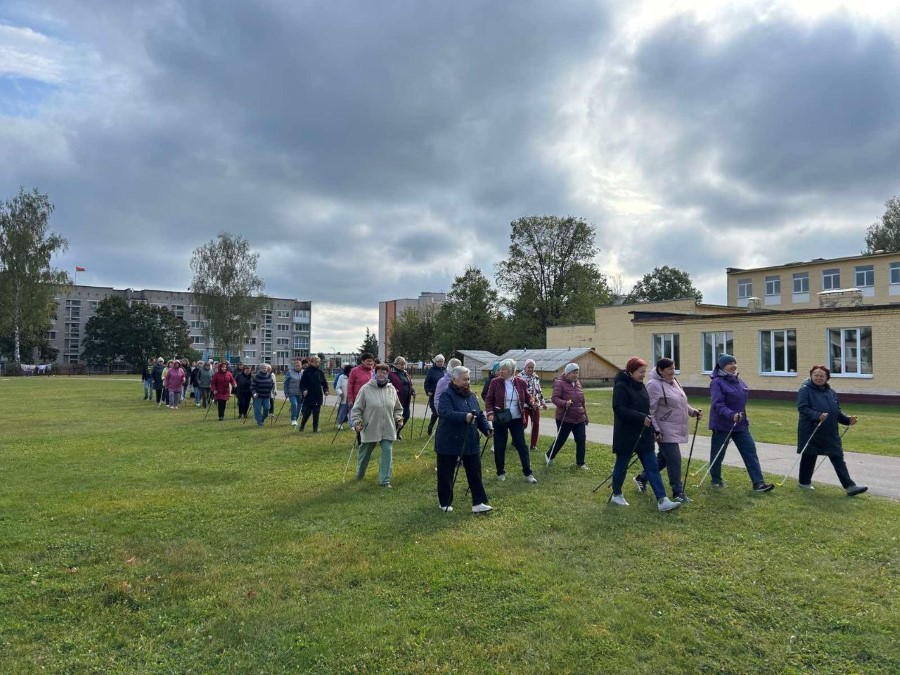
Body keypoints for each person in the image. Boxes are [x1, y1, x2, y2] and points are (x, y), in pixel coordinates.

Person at [609, 357, 681, 512]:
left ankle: (662, 500)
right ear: (630, 371)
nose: (643, 375)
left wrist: (654, 429)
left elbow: (648, 411)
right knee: (622, 466)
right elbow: (619, 408)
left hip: (644, 435)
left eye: (644, 372)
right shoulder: (621, 386)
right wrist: (641, 418)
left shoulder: (641, 386)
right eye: (640, 372)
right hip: (627, 435)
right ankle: (617, 494)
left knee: (652, 467)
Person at [634, 358, 702, 502]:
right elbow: (650, 410)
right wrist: (656, 429)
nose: (673, 371)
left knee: (664, 459)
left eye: (674, 368)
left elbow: (681, 402)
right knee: (675, 459)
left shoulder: (674, 381)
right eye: (669, 369)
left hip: (675, 427)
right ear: (660, 370)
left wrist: (692, 411)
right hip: (663, 429)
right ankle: (678, 493)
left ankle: (642, 478)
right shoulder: (653, 385)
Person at [796, 365, 868, 496]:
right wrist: (817, 415)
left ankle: (850, 486)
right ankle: (804, 482)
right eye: (816, 375)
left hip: (830, 432)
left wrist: (848, 419)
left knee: (837, 457)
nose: (818, 378)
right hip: (811, 430)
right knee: (809, 456)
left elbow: (837, 412)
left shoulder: (831, 393)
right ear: (811, 376)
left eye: (821, 376)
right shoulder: (805, 390)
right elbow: (803, 408)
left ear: (827, 378)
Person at [708, 354, 775, 492]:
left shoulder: (739, 381)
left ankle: (758, 483)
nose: (733, 366)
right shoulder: (717, 382)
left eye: (734, 362)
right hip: (722, 425)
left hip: (740, 424)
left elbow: (741, 404)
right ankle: (716, 480)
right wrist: (731, 415)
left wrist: (742, 418)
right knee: (718, 454)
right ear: (722, 367)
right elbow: (717, 404)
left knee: (750, 451)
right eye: (729, 363)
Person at [435, 365, 493, 513]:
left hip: (470, 439)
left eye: (469, 379)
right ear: (454, 379)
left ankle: (478, 503)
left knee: (475, 472)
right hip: (449, 439)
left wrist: (486, 428)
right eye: (464, 379)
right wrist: (464, 417)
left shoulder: (471, 395)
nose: (468, 382)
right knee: (446, 473)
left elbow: (479, 414)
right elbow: (445, 413)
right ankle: (445, 502)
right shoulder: (446, 395)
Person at [485, 359, 538, 484]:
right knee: (500, 445)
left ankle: (528, 473)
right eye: (500, 369)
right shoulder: (495, 382)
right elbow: (489, 399)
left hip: (516, 419)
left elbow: (527, 397)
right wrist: (490, 413)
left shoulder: (521, 382)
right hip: (500, 418)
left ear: (512, 371)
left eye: (504, 369)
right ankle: (500, 472)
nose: (501, 371)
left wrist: (532, 403)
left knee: (521, 445)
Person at [351, 363, 404, 487]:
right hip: (370, 427)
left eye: (385, 372)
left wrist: (399, 418)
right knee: (365, 452)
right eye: (380, 372)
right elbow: (357, 409)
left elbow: (398, 408)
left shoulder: (391, 389)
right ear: (375, 373)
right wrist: (357, 422)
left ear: (388, 374)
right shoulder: (365, 388)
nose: (382, 374)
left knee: (387, 452)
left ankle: (384, 480)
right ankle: (360, 473)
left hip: (388, 428)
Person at [545, 363, 590, 470]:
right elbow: (554, 398)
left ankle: (580, 462)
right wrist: (565, 403)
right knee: (561, 439)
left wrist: (585, 415)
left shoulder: (578, 383)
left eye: (577, 373)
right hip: (564, 418)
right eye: (574, 373)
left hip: (579, 418)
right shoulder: (559, 383)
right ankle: (549, 455)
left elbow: (582, 401)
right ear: (567, 373)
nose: (576, 375)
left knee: (581, 440)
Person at [518, 358, 547, 451]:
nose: (530, 369)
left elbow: (539, 390)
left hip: (535, 404)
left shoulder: (536, 377)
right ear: (525, 367)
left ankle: (533, 444)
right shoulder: (519, 377)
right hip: (525, 405)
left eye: (532, 367)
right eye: (529, 367)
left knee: (536, 424)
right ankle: (517, 440)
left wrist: (543, 402)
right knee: (524, 423)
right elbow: (519, 392)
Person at [298, 355, 329, 432]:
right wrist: (304, 390)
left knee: (316, 413)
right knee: (307, 413)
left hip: (318, 395)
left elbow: (324, 383)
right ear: (311, 362)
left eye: (318, 362)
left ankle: (315, 428)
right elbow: (302, 384)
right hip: (309, 396)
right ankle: (302, 426)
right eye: (316, 362)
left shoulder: (320, 372)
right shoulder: (306, 372)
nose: (317, 364)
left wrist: (326, 390)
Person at [388, 356, 415, 439]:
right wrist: (393, 389)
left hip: (406, 399)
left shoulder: (405, 373)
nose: (403, 366)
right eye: (401, 364)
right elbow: (388, 385)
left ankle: (397, 431)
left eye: (404, 364)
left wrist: (412, 390)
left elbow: (409, 384)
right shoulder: (391, 374)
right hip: (396, 399)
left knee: (406, 415)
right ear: (396, 364)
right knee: (397, 417)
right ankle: (392, 433)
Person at [423, 354, 446, 436]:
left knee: (442, 413)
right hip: (433, 395)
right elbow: (427, 382)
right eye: (438, 362)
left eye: (441, 361)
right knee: (436, 412)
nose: (440, 363)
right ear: (435, 362)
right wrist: (428, 391)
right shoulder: (431, 371)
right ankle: (430, 426)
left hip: (444, 395)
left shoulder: (445, 371)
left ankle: (441, 430)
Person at [283, 358, 305, 427]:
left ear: (301, 366)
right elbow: (286, 383)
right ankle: (293, 419)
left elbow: (306, 382)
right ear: (294, 366)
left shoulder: (304, 372)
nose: (298, 367)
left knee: (299, 406)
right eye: (296, 365)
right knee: (294, 404)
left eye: (299, 365)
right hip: (292, 392)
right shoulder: (290, 372)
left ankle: (296, 418)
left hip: (301, 393)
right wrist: (286, 392)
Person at [335, 364, 352, 429]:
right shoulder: (341, 377)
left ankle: (352, 425)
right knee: (343, 411)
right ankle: (340, 424)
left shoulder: (354, 377)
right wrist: (340, 393)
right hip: (344, 397)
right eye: (351, 371)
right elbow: (337, 387)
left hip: (352, 397)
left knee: (353, 412)